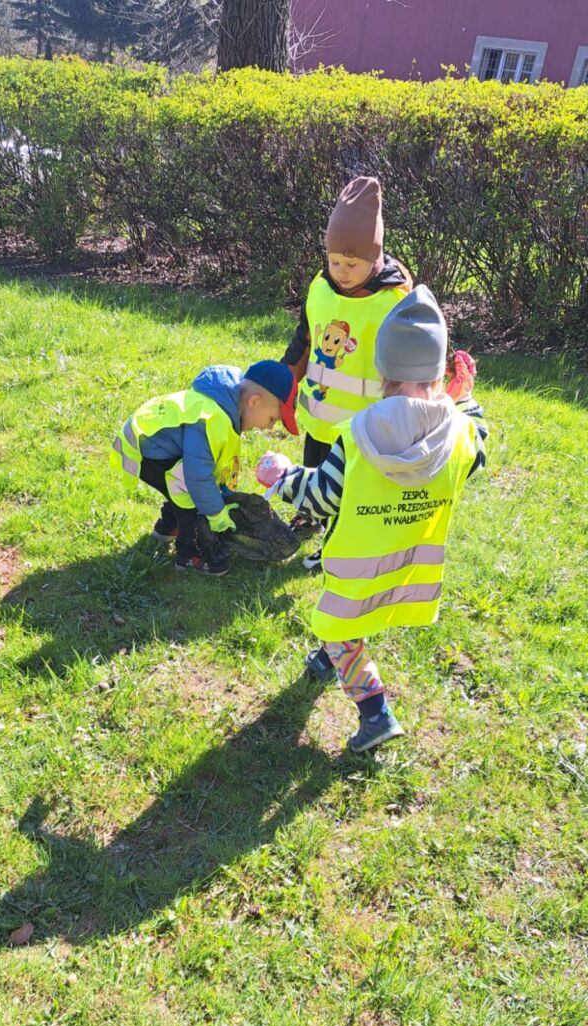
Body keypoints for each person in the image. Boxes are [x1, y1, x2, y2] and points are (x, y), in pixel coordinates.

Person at [261, 286, 488, 752]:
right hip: (409, 569)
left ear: (381, 371)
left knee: (340, 628)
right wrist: (463, 399)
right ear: (439, 372)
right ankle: (327, 660)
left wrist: (282, 477)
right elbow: (477, 436)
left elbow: (319, 498)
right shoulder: (462, 434)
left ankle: (375, 714)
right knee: (348, 624)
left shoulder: (357, 437)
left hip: (356, 570)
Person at [281, 175, 413, 575]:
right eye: (334, 261)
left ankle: (336, 547)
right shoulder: (319, 286)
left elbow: (412, 363)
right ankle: (309, 514)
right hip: (319, 420)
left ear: (375, 257)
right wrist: (284, 382)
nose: (341, 271)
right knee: (314, 474)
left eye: (352, 264)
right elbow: (304, 340)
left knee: (348, 492)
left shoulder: (394, 300)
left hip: (362, 428)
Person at [109, 361, 298, 575]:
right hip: (147, 449)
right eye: (272, 419)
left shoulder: (226, 399)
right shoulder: (213, 417)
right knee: (190, 497)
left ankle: (167, 527)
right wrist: (216, 514)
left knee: (180, 486)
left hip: (155, 444)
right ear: (254, 401)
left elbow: (206, 463)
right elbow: (198, 477)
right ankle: (189, 555)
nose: (269, 427)